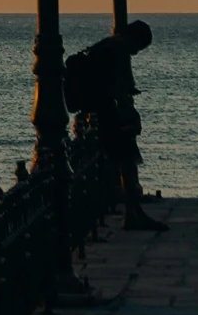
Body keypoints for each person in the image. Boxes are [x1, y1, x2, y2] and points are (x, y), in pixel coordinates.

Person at [63, 21, 166, 232]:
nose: (136, 53)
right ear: (134, 40)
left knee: (122, 161)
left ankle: (132, 211)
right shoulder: (118, 51)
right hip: (109, 114)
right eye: (138, 48)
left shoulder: (104, 46)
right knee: (126, 161)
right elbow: (119, 88)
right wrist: (131, 115)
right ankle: (133, 213)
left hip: (99, 111)